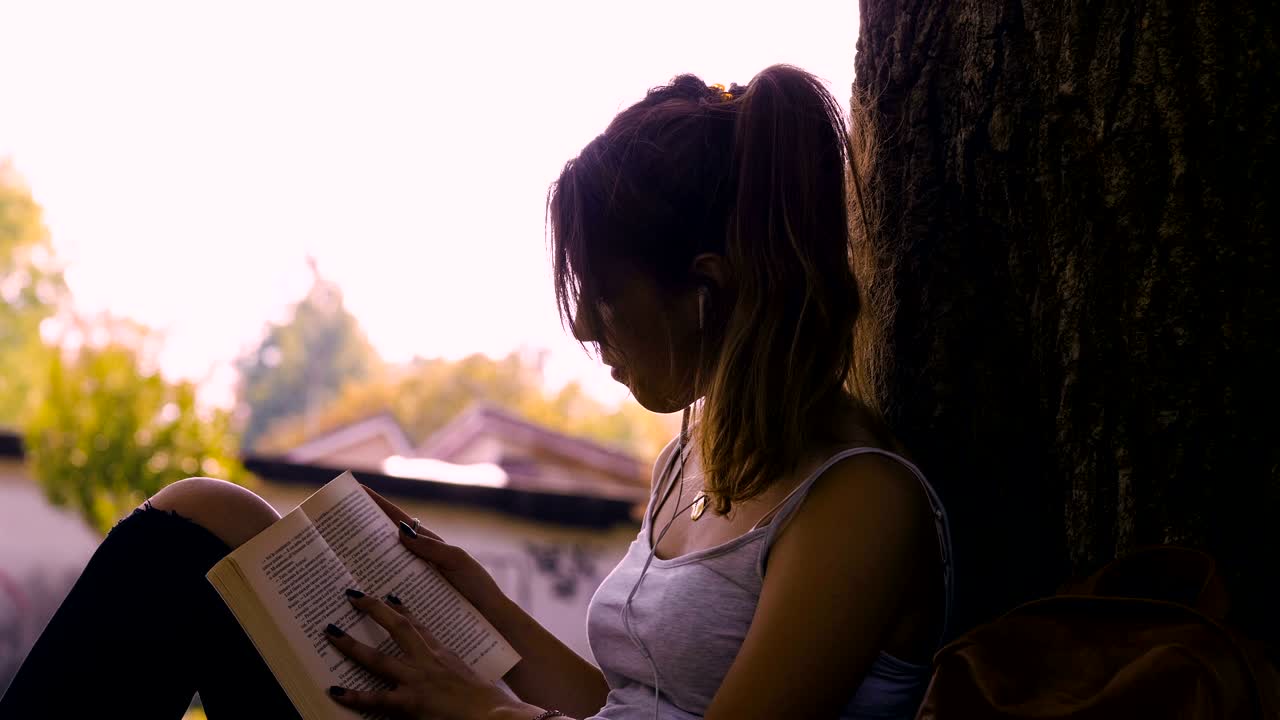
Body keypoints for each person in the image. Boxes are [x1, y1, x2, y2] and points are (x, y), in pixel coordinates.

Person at [0, 64, 952, 720]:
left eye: (607, 302)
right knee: (202, 524)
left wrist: (482, 712)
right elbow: (621, 708)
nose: (588, 332)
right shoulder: (693, 456)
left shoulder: (859, 504)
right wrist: (476, 597)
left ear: (705, 291)